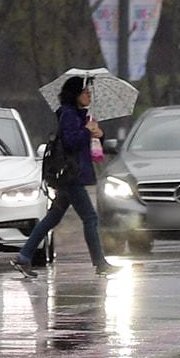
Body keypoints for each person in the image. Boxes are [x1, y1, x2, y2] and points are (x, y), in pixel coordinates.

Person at [12, 77, 114, 277]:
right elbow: (70, 141)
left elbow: (86, 142)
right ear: (75, 94)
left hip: (73, 173)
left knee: (52, 217)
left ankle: (24, 256)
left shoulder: (80, 115)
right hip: (71, 174)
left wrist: (98, 133)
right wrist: (86, 130)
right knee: (90, 217)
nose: (89, 95)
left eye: (89, 93)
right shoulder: (68, 114)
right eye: (86, 92)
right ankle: (100, 263)